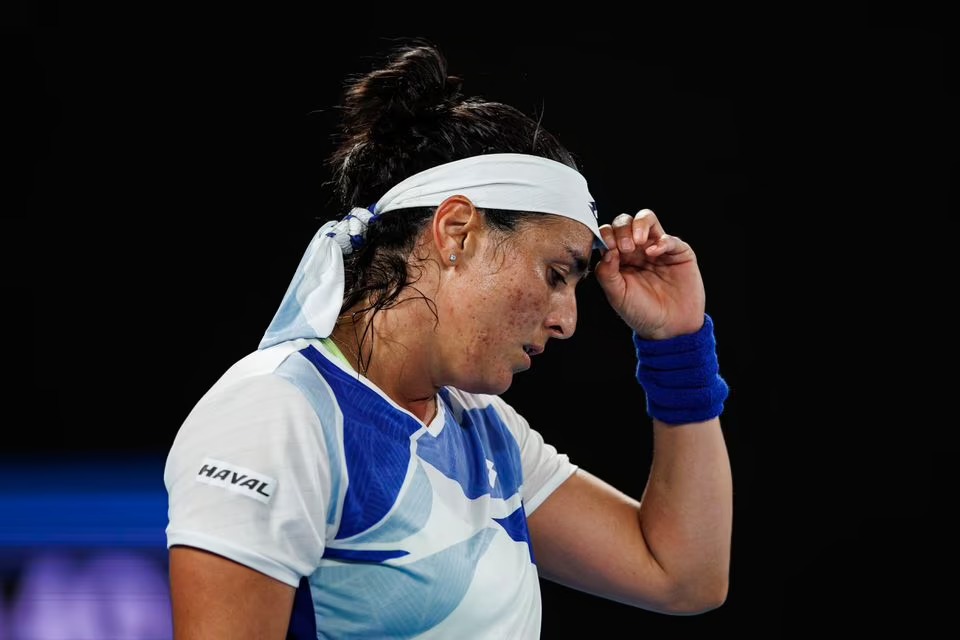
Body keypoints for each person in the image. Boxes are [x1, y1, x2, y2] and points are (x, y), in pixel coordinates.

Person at [163, 39, 733, 639]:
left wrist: (678, 344)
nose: (568, 320)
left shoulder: (484, 427)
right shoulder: (275, 414)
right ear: (456, 231)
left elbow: (683, 575)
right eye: (555, 274)